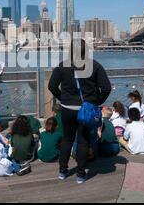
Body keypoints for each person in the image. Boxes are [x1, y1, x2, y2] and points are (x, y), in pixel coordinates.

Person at [48, 38, 111, 184]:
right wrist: (96, 102)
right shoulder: (95, 66)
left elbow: (51, 86)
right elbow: (106, 88)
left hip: (67, 109)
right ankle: (81, 174)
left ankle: (63, 171)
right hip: (86, 110)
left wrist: (63, 99)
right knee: (83, 141)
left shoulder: (62, 66)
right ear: (86, 50)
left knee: (67, 139)